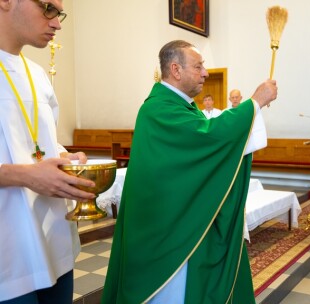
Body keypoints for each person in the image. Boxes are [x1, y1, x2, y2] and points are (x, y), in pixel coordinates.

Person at [102, 40, 278, 303]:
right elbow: (207, 138)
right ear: (176, 69)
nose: (205, 72)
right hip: (166, 235)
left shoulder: (181, 107)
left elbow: (205, 143)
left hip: (179, 221)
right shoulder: (158, 109)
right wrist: (254, 103)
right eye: (198, 66)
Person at [0, 0, 96, 302]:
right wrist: (24, 176)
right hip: (9, 248)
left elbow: (42, 141)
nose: (57, 23)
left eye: (59, 13)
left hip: (53, 238)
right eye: (48, 8)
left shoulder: (38, 74)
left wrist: (66, 159)